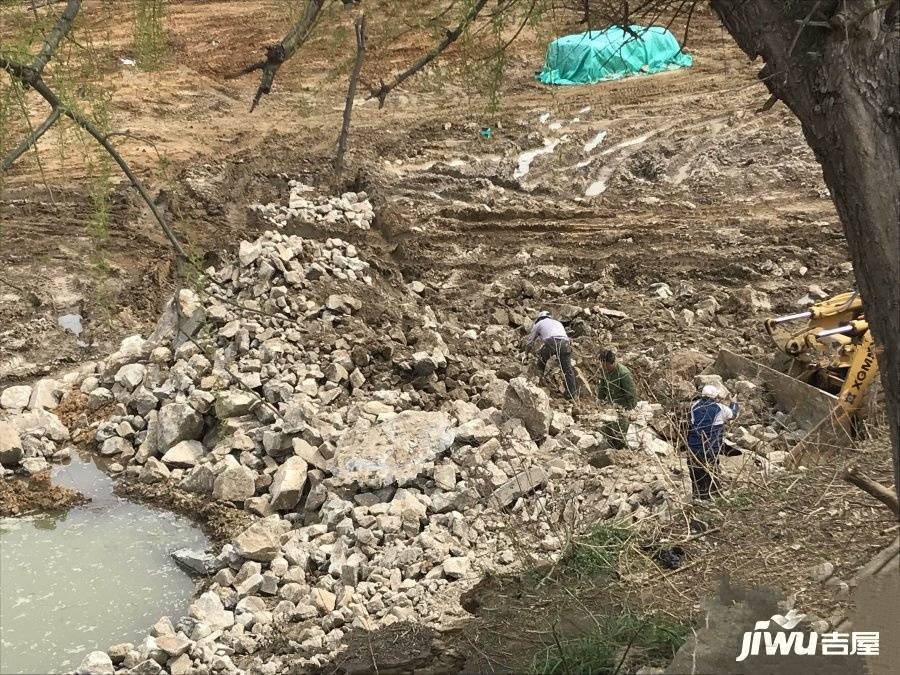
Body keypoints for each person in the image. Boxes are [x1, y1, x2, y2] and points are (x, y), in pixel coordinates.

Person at [686, 384, 740, 500]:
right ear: (715, 397)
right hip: (711, 448)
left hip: (693, 447)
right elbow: (733, 414)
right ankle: (713, 496)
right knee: (710, 472)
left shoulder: (694, 406)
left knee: (696, 475)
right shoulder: (720, 408)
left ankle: (697, 497)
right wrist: (734, 402)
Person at [524, 310, 578, 398]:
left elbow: (530, 341)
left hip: (552, 342)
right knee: (568, 370)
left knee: (541, 360)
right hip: (565, 344)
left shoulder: (539, 323)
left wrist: (526, 353)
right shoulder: (557, 323)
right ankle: (571, 394)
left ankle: (537, 386)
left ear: (539, 318)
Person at [596, 349, 638, 448]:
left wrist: (628, 409)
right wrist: (600, 398)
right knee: (607, 428)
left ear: (611, 363)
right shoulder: (604, 370)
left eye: (604, 364)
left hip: (623, 406)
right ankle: (611, 447)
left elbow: (631, 393)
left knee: (619, 432)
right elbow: (602, 385)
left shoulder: (623, 374)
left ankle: (621, 450)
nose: (602, 367)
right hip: (612, 405)